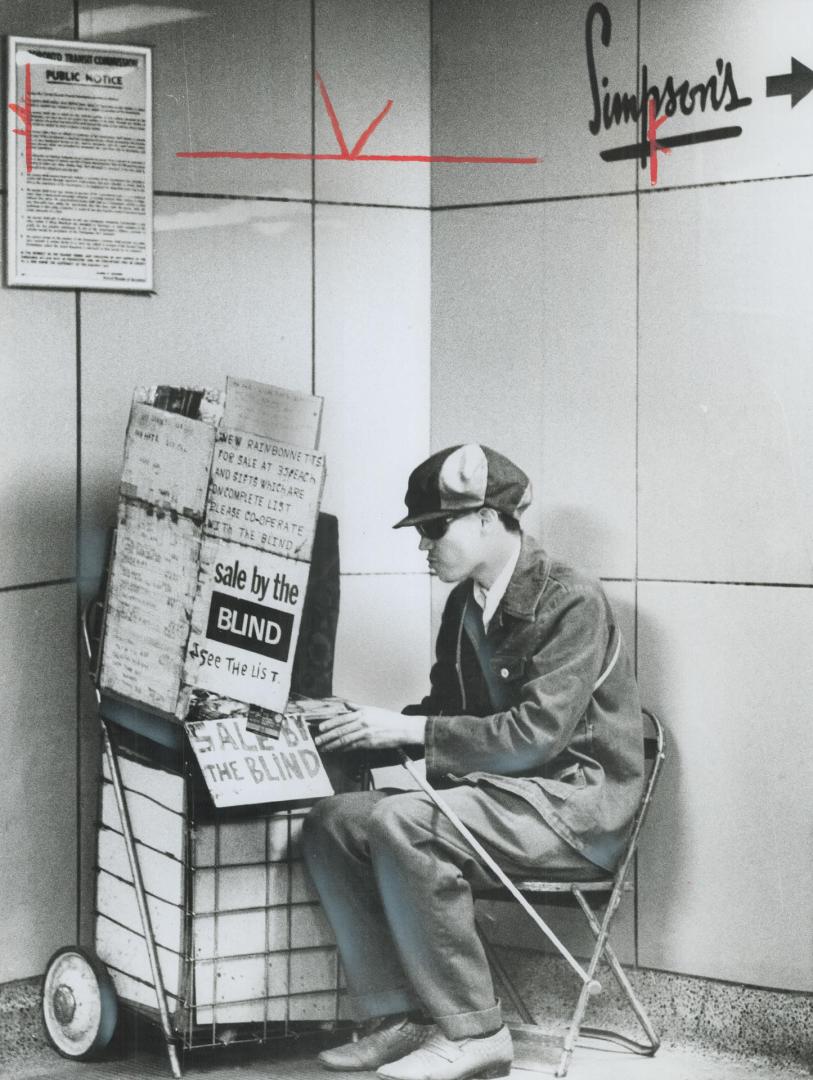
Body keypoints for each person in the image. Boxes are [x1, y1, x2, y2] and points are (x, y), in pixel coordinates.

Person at [302, 444, 644, 1080]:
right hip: (499, 798)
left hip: (571, 809)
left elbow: (537, 735)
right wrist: (357, 722)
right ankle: (401, 1016)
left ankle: (476, 1034)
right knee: (334, 821)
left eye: (435, 529)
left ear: (488, 520)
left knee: (403, 824)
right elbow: (442, 712)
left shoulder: (572, 601)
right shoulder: (465, 606)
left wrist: (404, 728)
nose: (424, 546)